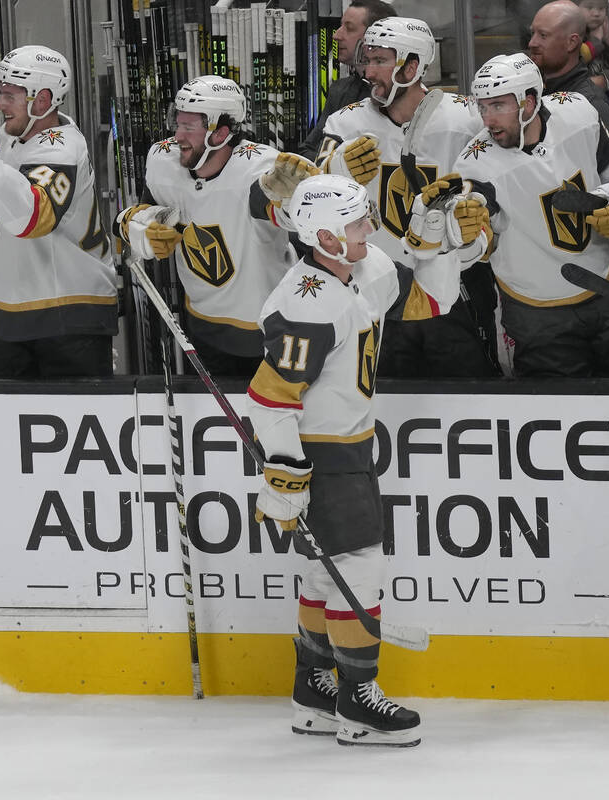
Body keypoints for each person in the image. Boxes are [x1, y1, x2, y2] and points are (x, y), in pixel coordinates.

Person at [248, 173, 459, 747]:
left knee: (323, 574)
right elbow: (270, 399)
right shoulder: (303, 302)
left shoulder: (361, 270)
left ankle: (313, 692)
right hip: (325, 454)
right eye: (359, 222)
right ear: (325, 235)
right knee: (359, 570)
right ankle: (358, 704)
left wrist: (432, 236)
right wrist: (286, 470)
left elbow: (433, 298)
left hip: (353, 446)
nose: (370, 229)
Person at [426, 53, 609, 378]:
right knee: (561, 412)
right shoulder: (475, 162)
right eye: (482, 107)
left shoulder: (579, 111)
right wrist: (465, 233)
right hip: (536, 313)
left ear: (529, 101)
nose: (487, 119)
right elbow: (479, 238)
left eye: (498, 105)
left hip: (605, 290)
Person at [317, 17, 497, 378]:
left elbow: (492, 195)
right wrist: (337, 166)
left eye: (381, 61)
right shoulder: (344, 124)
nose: (369, 71)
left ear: (412, 66)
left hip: (456, 291)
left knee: (469, 398)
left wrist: (475, 219)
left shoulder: (468, 119)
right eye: (367, 60)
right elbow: (314, 196)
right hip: (378, 290)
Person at [117, 75, 314, 377]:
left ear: (220, 133)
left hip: (270, 332)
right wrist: (142, 227)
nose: (177, 135)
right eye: (177, 123)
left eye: (188, 127)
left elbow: (286, 216)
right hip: (203, 328)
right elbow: (144, 215)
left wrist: (293, 201)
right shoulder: (162, 160)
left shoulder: (259, 170)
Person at [0, 46, 117, 378]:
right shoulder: (12, 136)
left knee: (74, 422)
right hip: (16, 315)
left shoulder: (62, 147)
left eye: (10, 94)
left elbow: (30, 217)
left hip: (67, 319)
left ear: (43, 100)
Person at [298, 0, 396, 162]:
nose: (336, 35)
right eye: (340, 26)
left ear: (375, 36)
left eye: (349, 28)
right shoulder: (341, 90)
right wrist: (339, 163)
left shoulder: (398, 92)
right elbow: (307, 151)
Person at [530, 0, 609, 139]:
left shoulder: (590, 105)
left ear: (571, 43)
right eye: (533, 33)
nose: (532, 43)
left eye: (543, 35)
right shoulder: (530, 89)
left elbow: (603, 159)